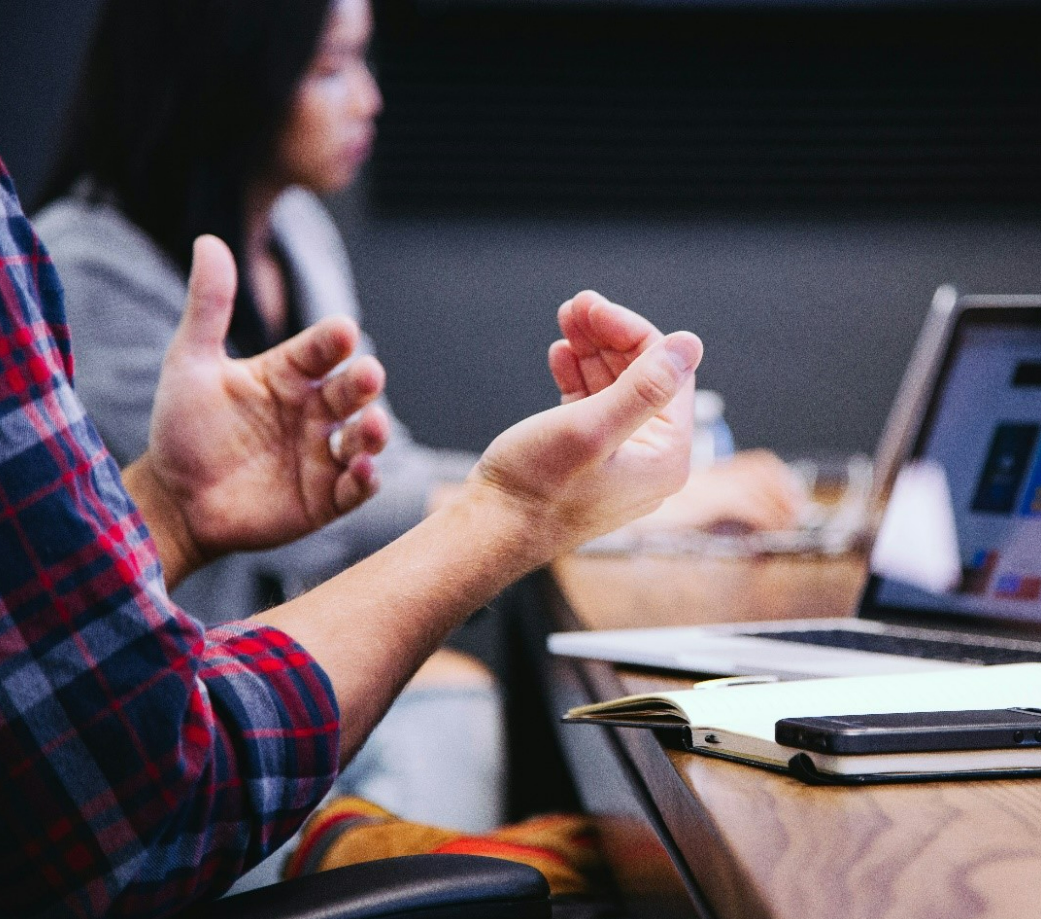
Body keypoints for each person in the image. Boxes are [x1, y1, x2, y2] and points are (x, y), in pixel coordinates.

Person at [0, 151, 704, 916]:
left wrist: (168, 511)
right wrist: (516, 512)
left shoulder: (300, 229)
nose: (368, 95)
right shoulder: (86, 257)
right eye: (333, 64)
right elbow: (144, 784)